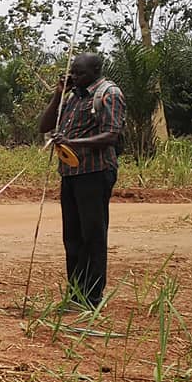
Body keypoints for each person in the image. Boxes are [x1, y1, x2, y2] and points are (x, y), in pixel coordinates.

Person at [38, 53, 124, 309]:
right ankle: (75, 295)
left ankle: (92, 297)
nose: (74, 77)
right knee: (72, 238)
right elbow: (44, 126)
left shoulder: (109, 94)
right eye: (72, 73)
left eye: (80, 73)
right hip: (70, 174)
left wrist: (73, 143)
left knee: (93, 237)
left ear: (96, 70)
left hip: (95, 174)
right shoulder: (72, 96)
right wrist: (58, 94)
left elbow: (111, 135)